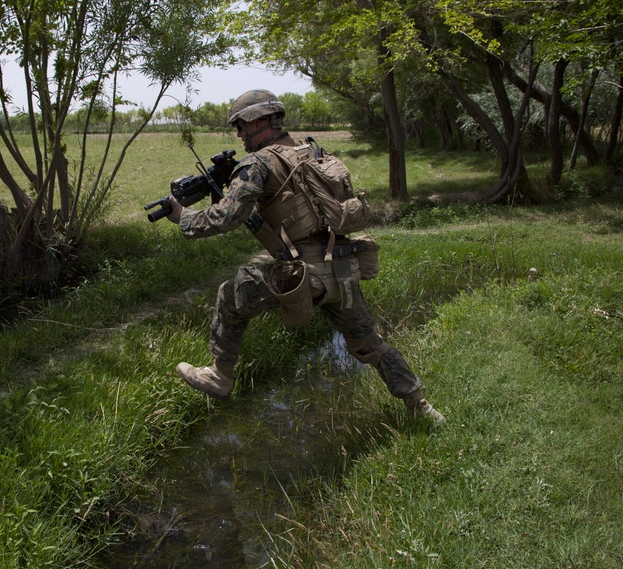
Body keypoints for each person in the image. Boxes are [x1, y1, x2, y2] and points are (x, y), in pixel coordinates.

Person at [164, 89, 445, 423]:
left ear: (259, 121)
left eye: (240, 125)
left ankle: (220, 375)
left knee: (232, 292)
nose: (239, 134)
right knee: (370, 344)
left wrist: (183, 217)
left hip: (306, 276)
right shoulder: (311, 151)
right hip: (342, 267)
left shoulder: (257, 163)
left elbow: (229, 217)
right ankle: (421, 407)